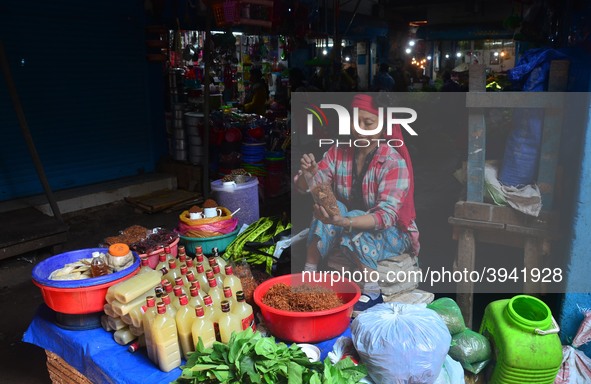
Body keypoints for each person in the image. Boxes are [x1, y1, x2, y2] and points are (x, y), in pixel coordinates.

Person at [294, 94, 420, 313]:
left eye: (368, 123)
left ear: (382, 127)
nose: (360, 129)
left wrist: (346, 221)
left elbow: (386, 216)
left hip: (393, 232)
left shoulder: (393, 162)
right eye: (355, 121)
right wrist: (310, 174)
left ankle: (372, 291)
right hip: (348, 220)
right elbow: (309, 188)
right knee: (326, 207)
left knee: (351, 215)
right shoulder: (338, 152)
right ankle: (309, 274)